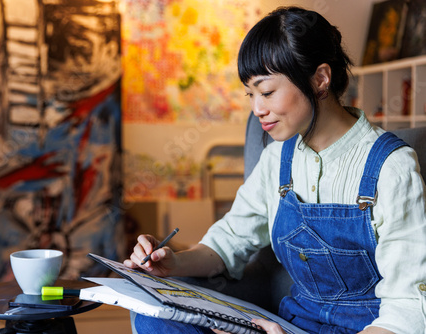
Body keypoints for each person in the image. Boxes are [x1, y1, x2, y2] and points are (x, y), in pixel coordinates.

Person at [124, 6, 426, 334]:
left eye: (267, 92)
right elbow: (230, 241)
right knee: (155, 315)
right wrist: (172, 262)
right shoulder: (277, 158)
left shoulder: (391, 167)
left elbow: (409, 308)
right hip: (290, 324)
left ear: (320, 79)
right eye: (251, 94)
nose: (257, 108)